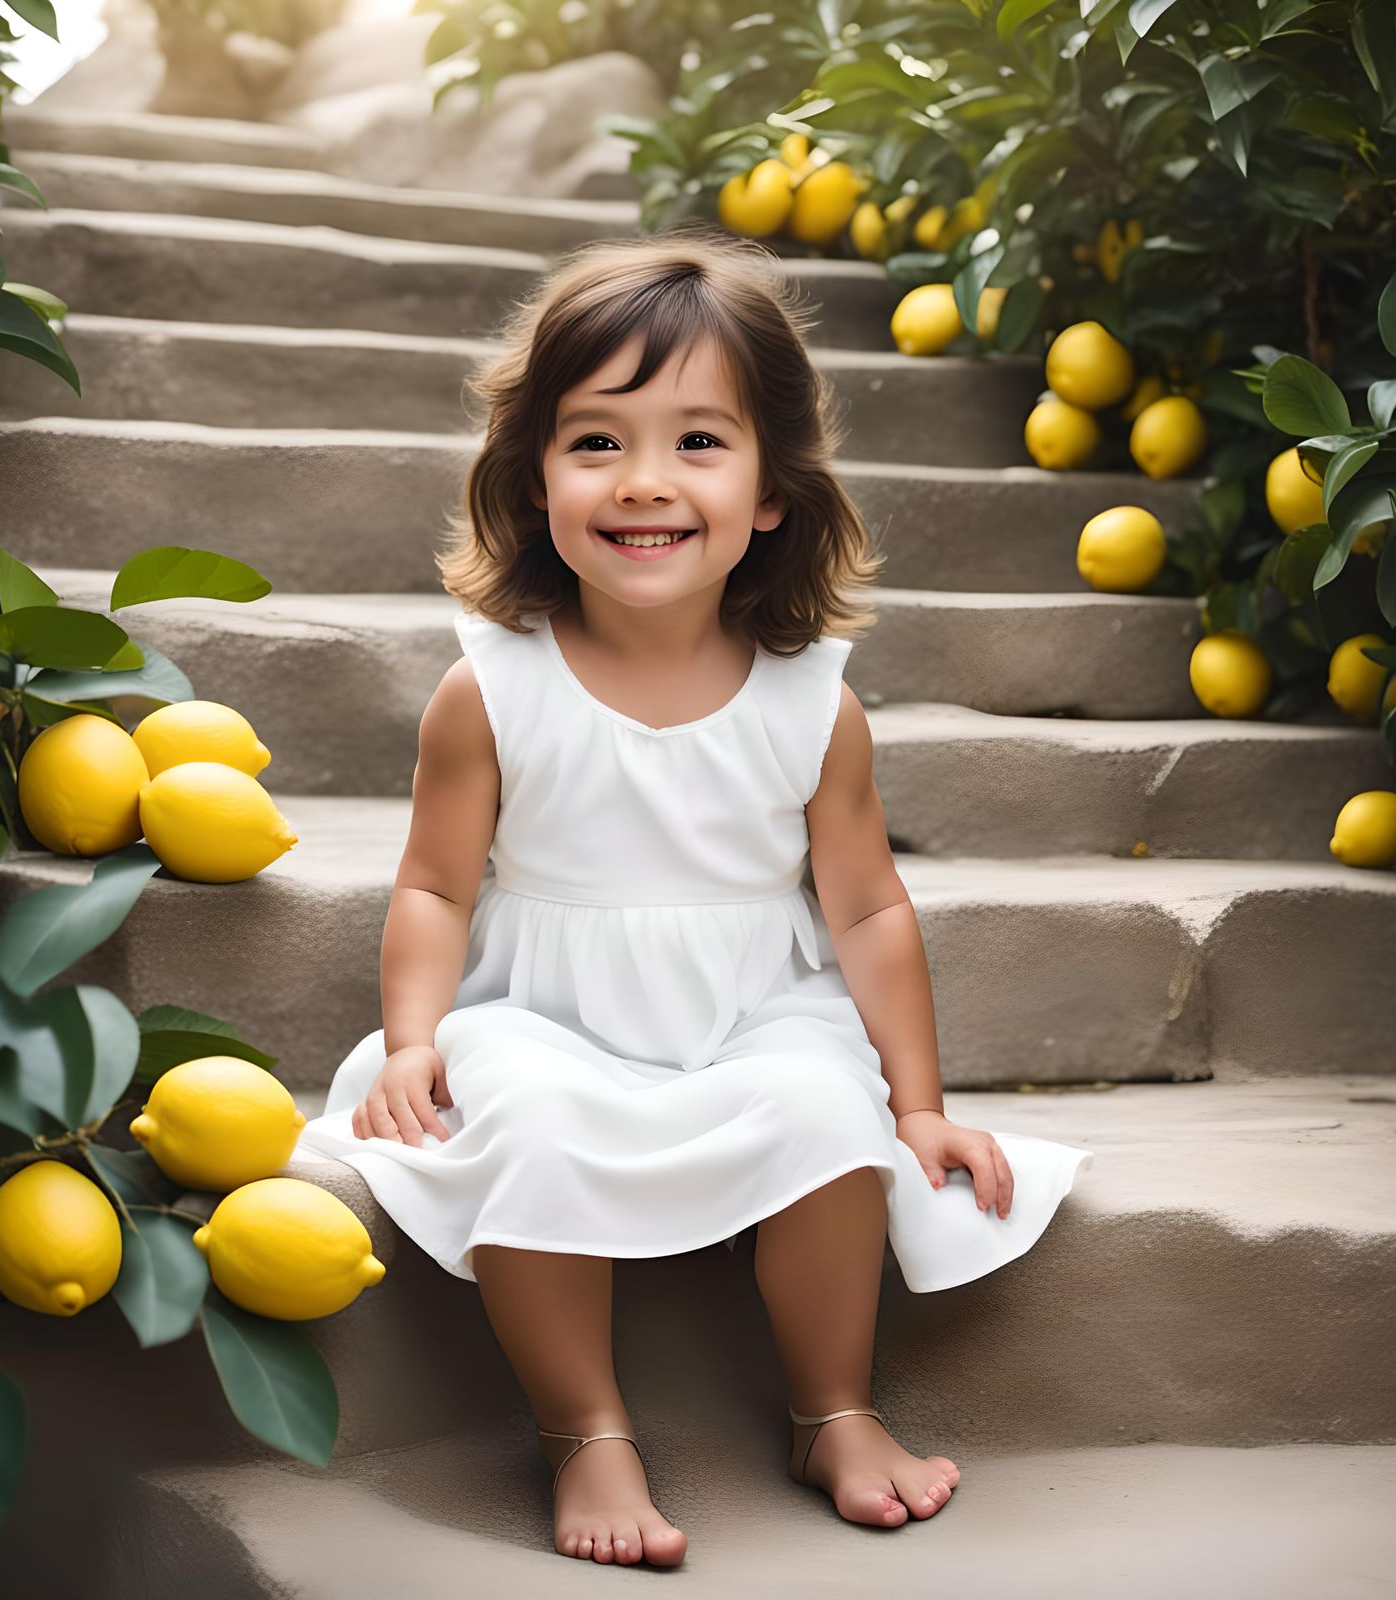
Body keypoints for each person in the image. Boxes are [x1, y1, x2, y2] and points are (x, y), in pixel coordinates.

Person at [292, 222, 1093, 1569]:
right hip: (543, 1015)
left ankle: (834, 1408)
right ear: (534, 477)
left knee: (823, 1117)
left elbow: (868, 912)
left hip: (751, 1014)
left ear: (773, 490)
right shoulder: (493, 688)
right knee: (530, 1125)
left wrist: (916, 1106)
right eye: (597, 441)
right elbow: (434, 886)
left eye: (700, 441)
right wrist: (417, 1039)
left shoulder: (809, 701)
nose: (645, 480)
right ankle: (585, 1431)